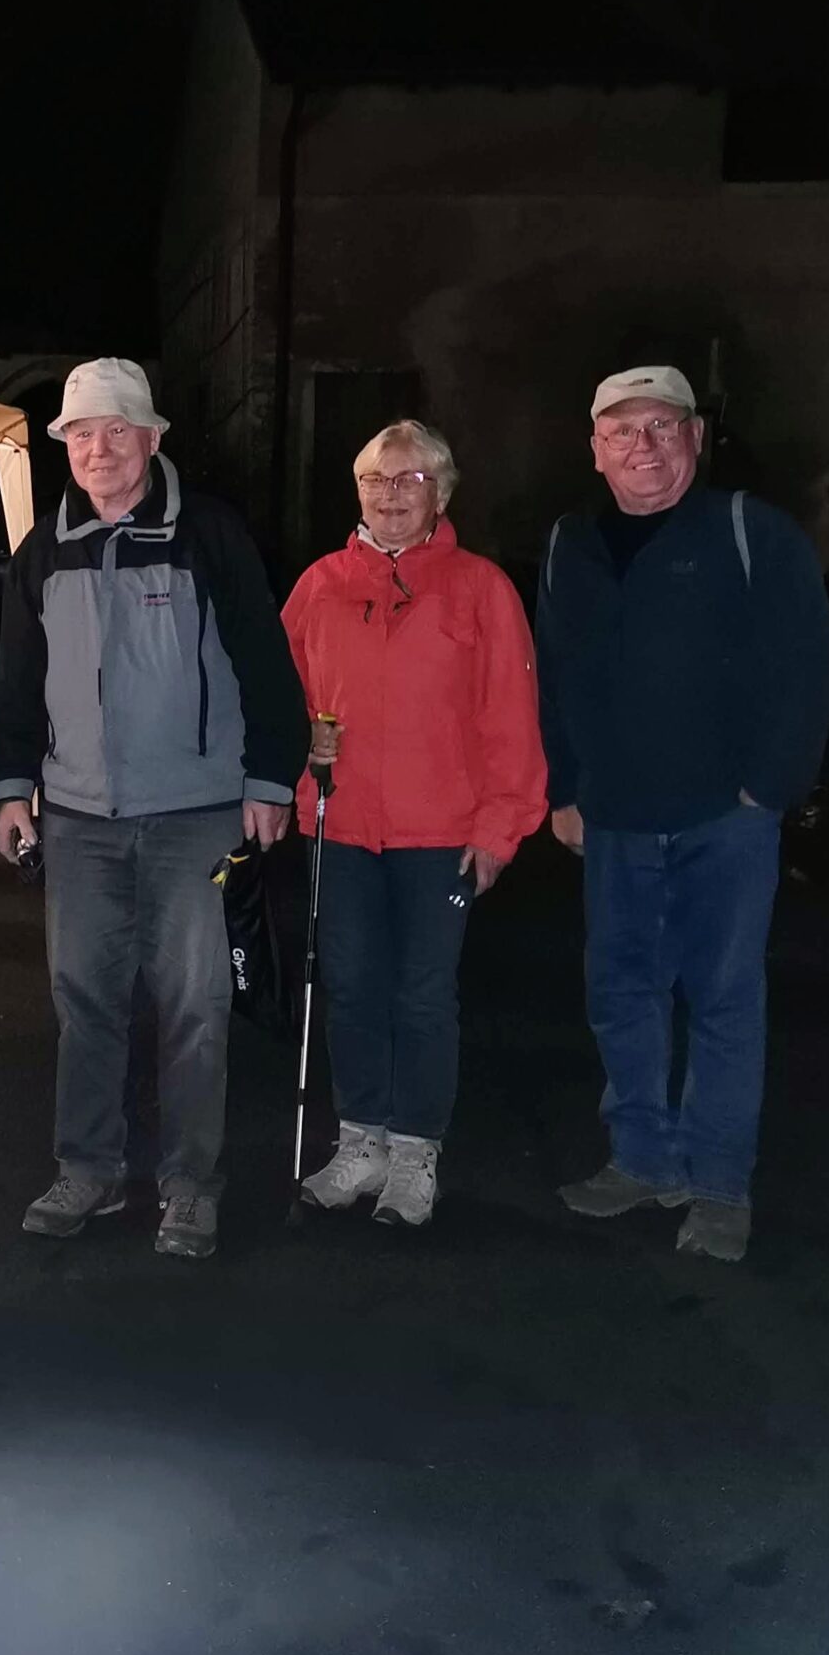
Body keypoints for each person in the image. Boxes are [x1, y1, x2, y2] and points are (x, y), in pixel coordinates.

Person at [0, 357, 307, 1260]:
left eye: (117, 430)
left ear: (153, 438)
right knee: (83, 999)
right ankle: (89, 1169)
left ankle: (190, 1185)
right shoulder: (44, 550)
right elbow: (18, 680)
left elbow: (265, 662)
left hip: (197, 813)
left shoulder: (209, 533)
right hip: (79, 819)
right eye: (82, 434)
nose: (100, 449)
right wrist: (11, 788)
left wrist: (269, 781)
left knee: (195, 1005)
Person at [538, 365, 829, 1263]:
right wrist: (563, 788)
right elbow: (554, 674)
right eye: (623, 431)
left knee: (722, 1002)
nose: (645, 446)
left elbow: (812, 670)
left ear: (696, 439)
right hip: (614, 818)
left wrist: (767, 788)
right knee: (621, 995)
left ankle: (717, 1187)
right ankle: (641, 1159)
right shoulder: (570, 543)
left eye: (663, 427)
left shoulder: (753, 532)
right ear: (596, 449)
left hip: (725, 819)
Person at [283, 421, 546, 1229]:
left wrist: (501, 827)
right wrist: (300, 747)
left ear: (442, 493)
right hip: (342, 825)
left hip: (442, 835)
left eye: (410, 481)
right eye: (375, 480)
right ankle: (360, 1140)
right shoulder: (320, 585)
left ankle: (414, 1152)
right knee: (351, 988)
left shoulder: (480, 588)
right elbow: (277, 695)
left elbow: (511, 714)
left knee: (424, 996)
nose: (390, 495)